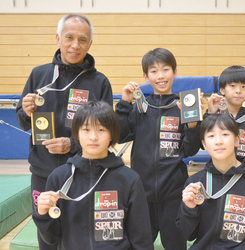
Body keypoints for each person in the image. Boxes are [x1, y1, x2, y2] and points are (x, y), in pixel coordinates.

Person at [16, 14, 113, 249]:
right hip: (43, 173)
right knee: (47, 233)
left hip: (84, 172)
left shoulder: (99, 82)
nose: (75, 45)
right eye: (69, 37)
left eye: (82, 39)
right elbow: (22, 121)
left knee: (82, 232)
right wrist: (26, 111)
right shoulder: (38, 75)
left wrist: (73, 144)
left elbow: (107, 131)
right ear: (58, 38)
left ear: (90, 44)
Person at [32, 101, 154, 250]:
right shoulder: (58, 178)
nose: (93, 137)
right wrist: (42, 215)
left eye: (101, 129)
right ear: (77, 133)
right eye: (86, 129)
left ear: (112, 134)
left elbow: (141, 238)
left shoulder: (130, 180)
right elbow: (52, 238)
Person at [115, 48, 202, 250]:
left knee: (175, 245)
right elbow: (120, 136)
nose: (160, 76)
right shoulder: (139, 106)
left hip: (173, 193)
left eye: (166, 69)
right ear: (145, 76)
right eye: (153, 71)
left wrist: (192, 124)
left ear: (175, 72)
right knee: (138, 244)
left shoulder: (184, 106)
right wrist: (124, 103)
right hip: (141, 194)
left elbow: (190, 150)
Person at [176, 114, 245, 249]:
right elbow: (188, 234)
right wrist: (189, 209)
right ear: (204, 144)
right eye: (211, 136)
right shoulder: (195, 183)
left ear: (236, 140)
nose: (218, 141)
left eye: (225, 134)